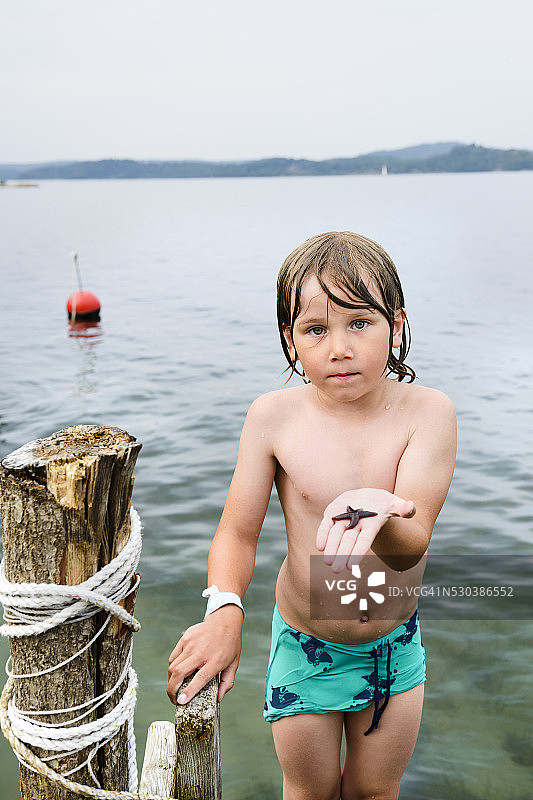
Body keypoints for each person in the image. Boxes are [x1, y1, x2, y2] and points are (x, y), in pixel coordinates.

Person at [167, 231, 456, 800]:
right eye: (316, 329)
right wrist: (225, 610)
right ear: (291, 341)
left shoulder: (428, 413)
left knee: (376, 791)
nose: (339, 347)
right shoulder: (274, 418)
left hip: (392, 645)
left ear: (397, 324)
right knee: (309, 790)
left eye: (360, 323)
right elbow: (237, 531)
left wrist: (379, 513)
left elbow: (410, 545)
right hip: (306, 641)